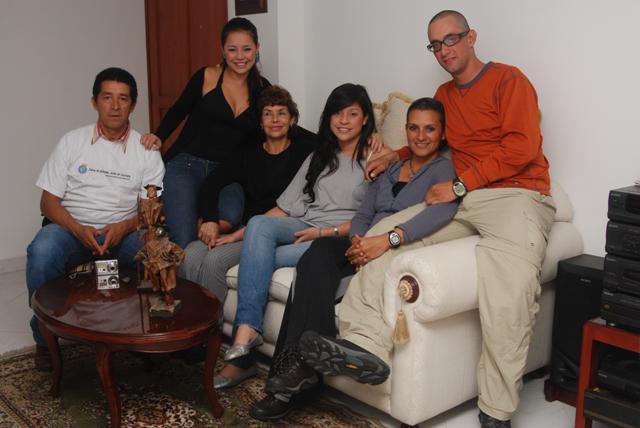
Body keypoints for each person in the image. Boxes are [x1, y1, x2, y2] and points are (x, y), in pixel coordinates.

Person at [300, 11, 555, 428]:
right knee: (382, 237)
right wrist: (395, 156)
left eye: (451, 39)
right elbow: (434, 140)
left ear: (471, 37)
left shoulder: (508, 80)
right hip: (465, 197)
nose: (443, 50)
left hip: (516, 196)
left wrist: (460, 184)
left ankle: (496, 412)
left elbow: (521, 147)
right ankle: (365, 347)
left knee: (509, 298)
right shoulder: (444, 94)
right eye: (435, 44)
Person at [249, 97, 458, 420]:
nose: (420, 136)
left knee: (310, 277)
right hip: (362, 242)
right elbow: (363, 213)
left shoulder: (443, 169)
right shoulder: (391, 166)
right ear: (406, 130)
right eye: (414, 128)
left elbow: (441, 213)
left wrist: (382, 242)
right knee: (315, 258)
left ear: (442, 134)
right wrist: (359, 241)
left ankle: (288, 384)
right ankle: (303, 371)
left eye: (429, 129)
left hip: (392, 247)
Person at [217, 83, 376, 388]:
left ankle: (242, 349)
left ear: (366, 118)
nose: (343, 121)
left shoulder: (376, 158)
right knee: (259, 224)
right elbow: (284, 207)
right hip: (303, 224)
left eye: (352, 114)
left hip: (333, 239)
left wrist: (322, 232)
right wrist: (239, 235)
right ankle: (248, 329)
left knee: (261, 258)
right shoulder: (320, 155)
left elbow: (370, 218)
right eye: (337, 113)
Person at [26, 67, 165, 371]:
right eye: (107, 98)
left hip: (123, 234)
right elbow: (47, 203)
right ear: (94, 102)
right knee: (42, 249)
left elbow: (151, 210)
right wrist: (78, 229)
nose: (115, 106)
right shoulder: (71, 142)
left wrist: (123, 227)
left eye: (123, 99)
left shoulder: (147, 151)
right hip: (71, 232)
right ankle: (44, 341)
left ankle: (145, 334)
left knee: (155, 249)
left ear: (133, 105)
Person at [180, 85, 316, 312]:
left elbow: (340, 141)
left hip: (272, 232)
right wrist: (210, 219)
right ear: (260, 122)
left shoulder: (307, 151)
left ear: (292, 120)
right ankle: (192, 320)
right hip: (244, 227)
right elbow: (212, 183)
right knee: (190, 253)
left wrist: (371, 139)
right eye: (268, 114)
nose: (275, 120)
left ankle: (211, 327)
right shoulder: (248, 152)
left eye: (281, 113)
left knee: (214, 260)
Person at [140, 17, 270, 248]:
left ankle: (193, 231)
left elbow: (270, 131)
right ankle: (179, 253)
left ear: (257, 48)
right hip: (187, 164)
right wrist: (158, 135)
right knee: (184, 237)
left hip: (227, 173)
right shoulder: (208, 76)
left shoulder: (263, 89)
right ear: (222, 50)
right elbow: (179, 109)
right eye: (232, 49)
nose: (240, 56)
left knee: (229, 218)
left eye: (247, 49)